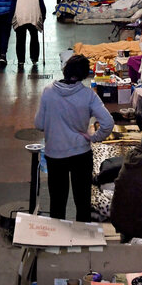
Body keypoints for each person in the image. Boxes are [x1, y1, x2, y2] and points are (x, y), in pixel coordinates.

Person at [34, 54, 114, 221]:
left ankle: (58, 239)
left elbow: (39, 124)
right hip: (81, 154)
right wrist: (94, 137)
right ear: (85, 74)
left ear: (65, 70)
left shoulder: (48, 92)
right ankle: (82, 238)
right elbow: (107, 123)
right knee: (82, 201)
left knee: (57, 201)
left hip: (55, 154)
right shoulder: (88, 95)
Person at [12, 0, 46, 70]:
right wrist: (43, 17)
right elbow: (42, 5)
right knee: (34, 38)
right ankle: (34, 58)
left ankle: (21, 60)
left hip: (21, 17)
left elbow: (14, 4)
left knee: (20, 40)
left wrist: (11, 17)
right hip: (33, 17)